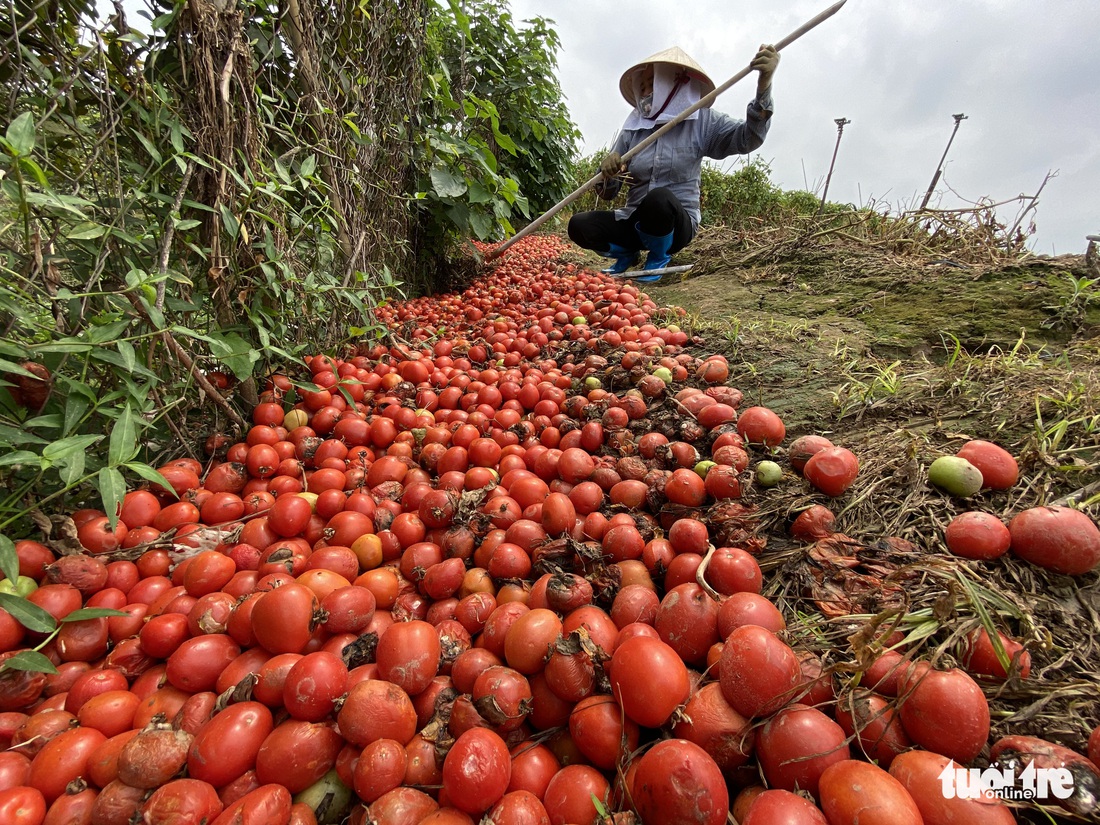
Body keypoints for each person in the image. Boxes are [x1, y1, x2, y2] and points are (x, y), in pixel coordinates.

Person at [568, 44, 779, 281]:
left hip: (675, 224)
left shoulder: (703, 122)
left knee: (659, 199)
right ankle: (627, 253)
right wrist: (607, 173)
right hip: (634, 220)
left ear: (672, 83)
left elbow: (748, 138)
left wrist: (764, 85)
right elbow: (608, 192)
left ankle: (659, 256)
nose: (646, 92)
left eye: (652, 84)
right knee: (579, 225)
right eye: (643, 86)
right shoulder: (633, 129)